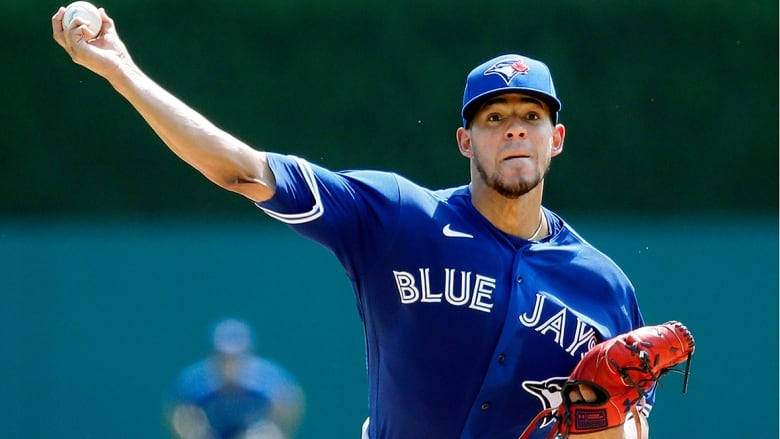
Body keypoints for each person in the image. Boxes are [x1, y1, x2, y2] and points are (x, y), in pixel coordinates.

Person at [52, 7, 654, 438]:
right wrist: (121, 71)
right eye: (494, 118)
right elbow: (238, 167)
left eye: (531, 114)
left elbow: (633, 426)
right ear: (465, 141)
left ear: (558, 139)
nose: (515, 128)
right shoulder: (396, 216)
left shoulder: (605, 287)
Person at [166, 319, 304, 439]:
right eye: (223, 358)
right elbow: (176, 413)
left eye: (236, 358)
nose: (229, 365)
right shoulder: (194, 386)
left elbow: (289, 407)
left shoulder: (269, 384)